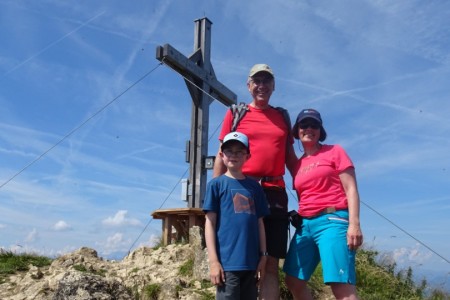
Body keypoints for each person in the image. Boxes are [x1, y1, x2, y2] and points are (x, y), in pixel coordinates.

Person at [213, 64, 297, 299]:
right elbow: (222, 153)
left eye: (267, 81)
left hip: (274, 192)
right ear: (248, 86)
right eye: (256, 81)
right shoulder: (236, 114)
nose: (262, 85)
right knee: (240, 259)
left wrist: (309, 192)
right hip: (242, 188)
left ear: (274, 86)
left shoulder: (282, 116)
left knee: (271, 263)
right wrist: (216, 193)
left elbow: (290, 159)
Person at [283, 108, 363, 300]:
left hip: (333, 220)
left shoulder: (335, 151)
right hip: (305, 226)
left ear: (320, 130)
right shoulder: (298, 164)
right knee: (293, 280)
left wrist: (354, 224)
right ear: (297, 130)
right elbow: (284, 146)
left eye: (314, 125)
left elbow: (351, 188)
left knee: (340, 285)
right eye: (304, 125)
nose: (309, 128)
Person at [204, 131, 270, 299]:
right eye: (229, 151)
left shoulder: (255, 187)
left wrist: (263, 256)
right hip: (227, 266)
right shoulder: (215, 185)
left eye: (239, 151)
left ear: (248, 155)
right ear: (221, 154)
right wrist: (213, 261)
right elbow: (209, 223)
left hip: (252, 265)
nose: (234, 155)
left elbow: (260, 223)